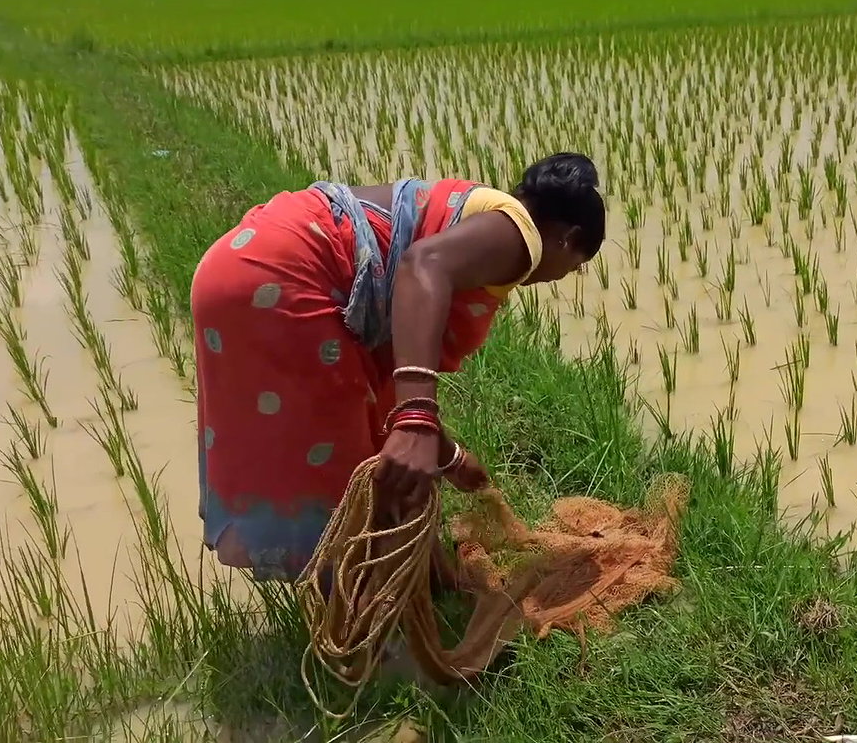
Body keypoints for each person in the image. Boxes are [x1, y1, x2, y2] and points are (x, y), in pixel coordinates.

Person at [190, 152, 606, 582]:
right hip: (285, 278)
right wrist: (417, 418)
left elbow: (392, 371)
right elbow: (423, 265)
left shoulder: (474, 215)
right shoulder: (521, 236)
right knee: (350, 489)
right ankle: (369, 631)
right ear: (566, 238)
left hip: (235, 266)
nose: (562, 277)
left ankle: (390, 599)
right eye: (575, 266)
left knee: (369, 455)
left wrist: (451, 457)